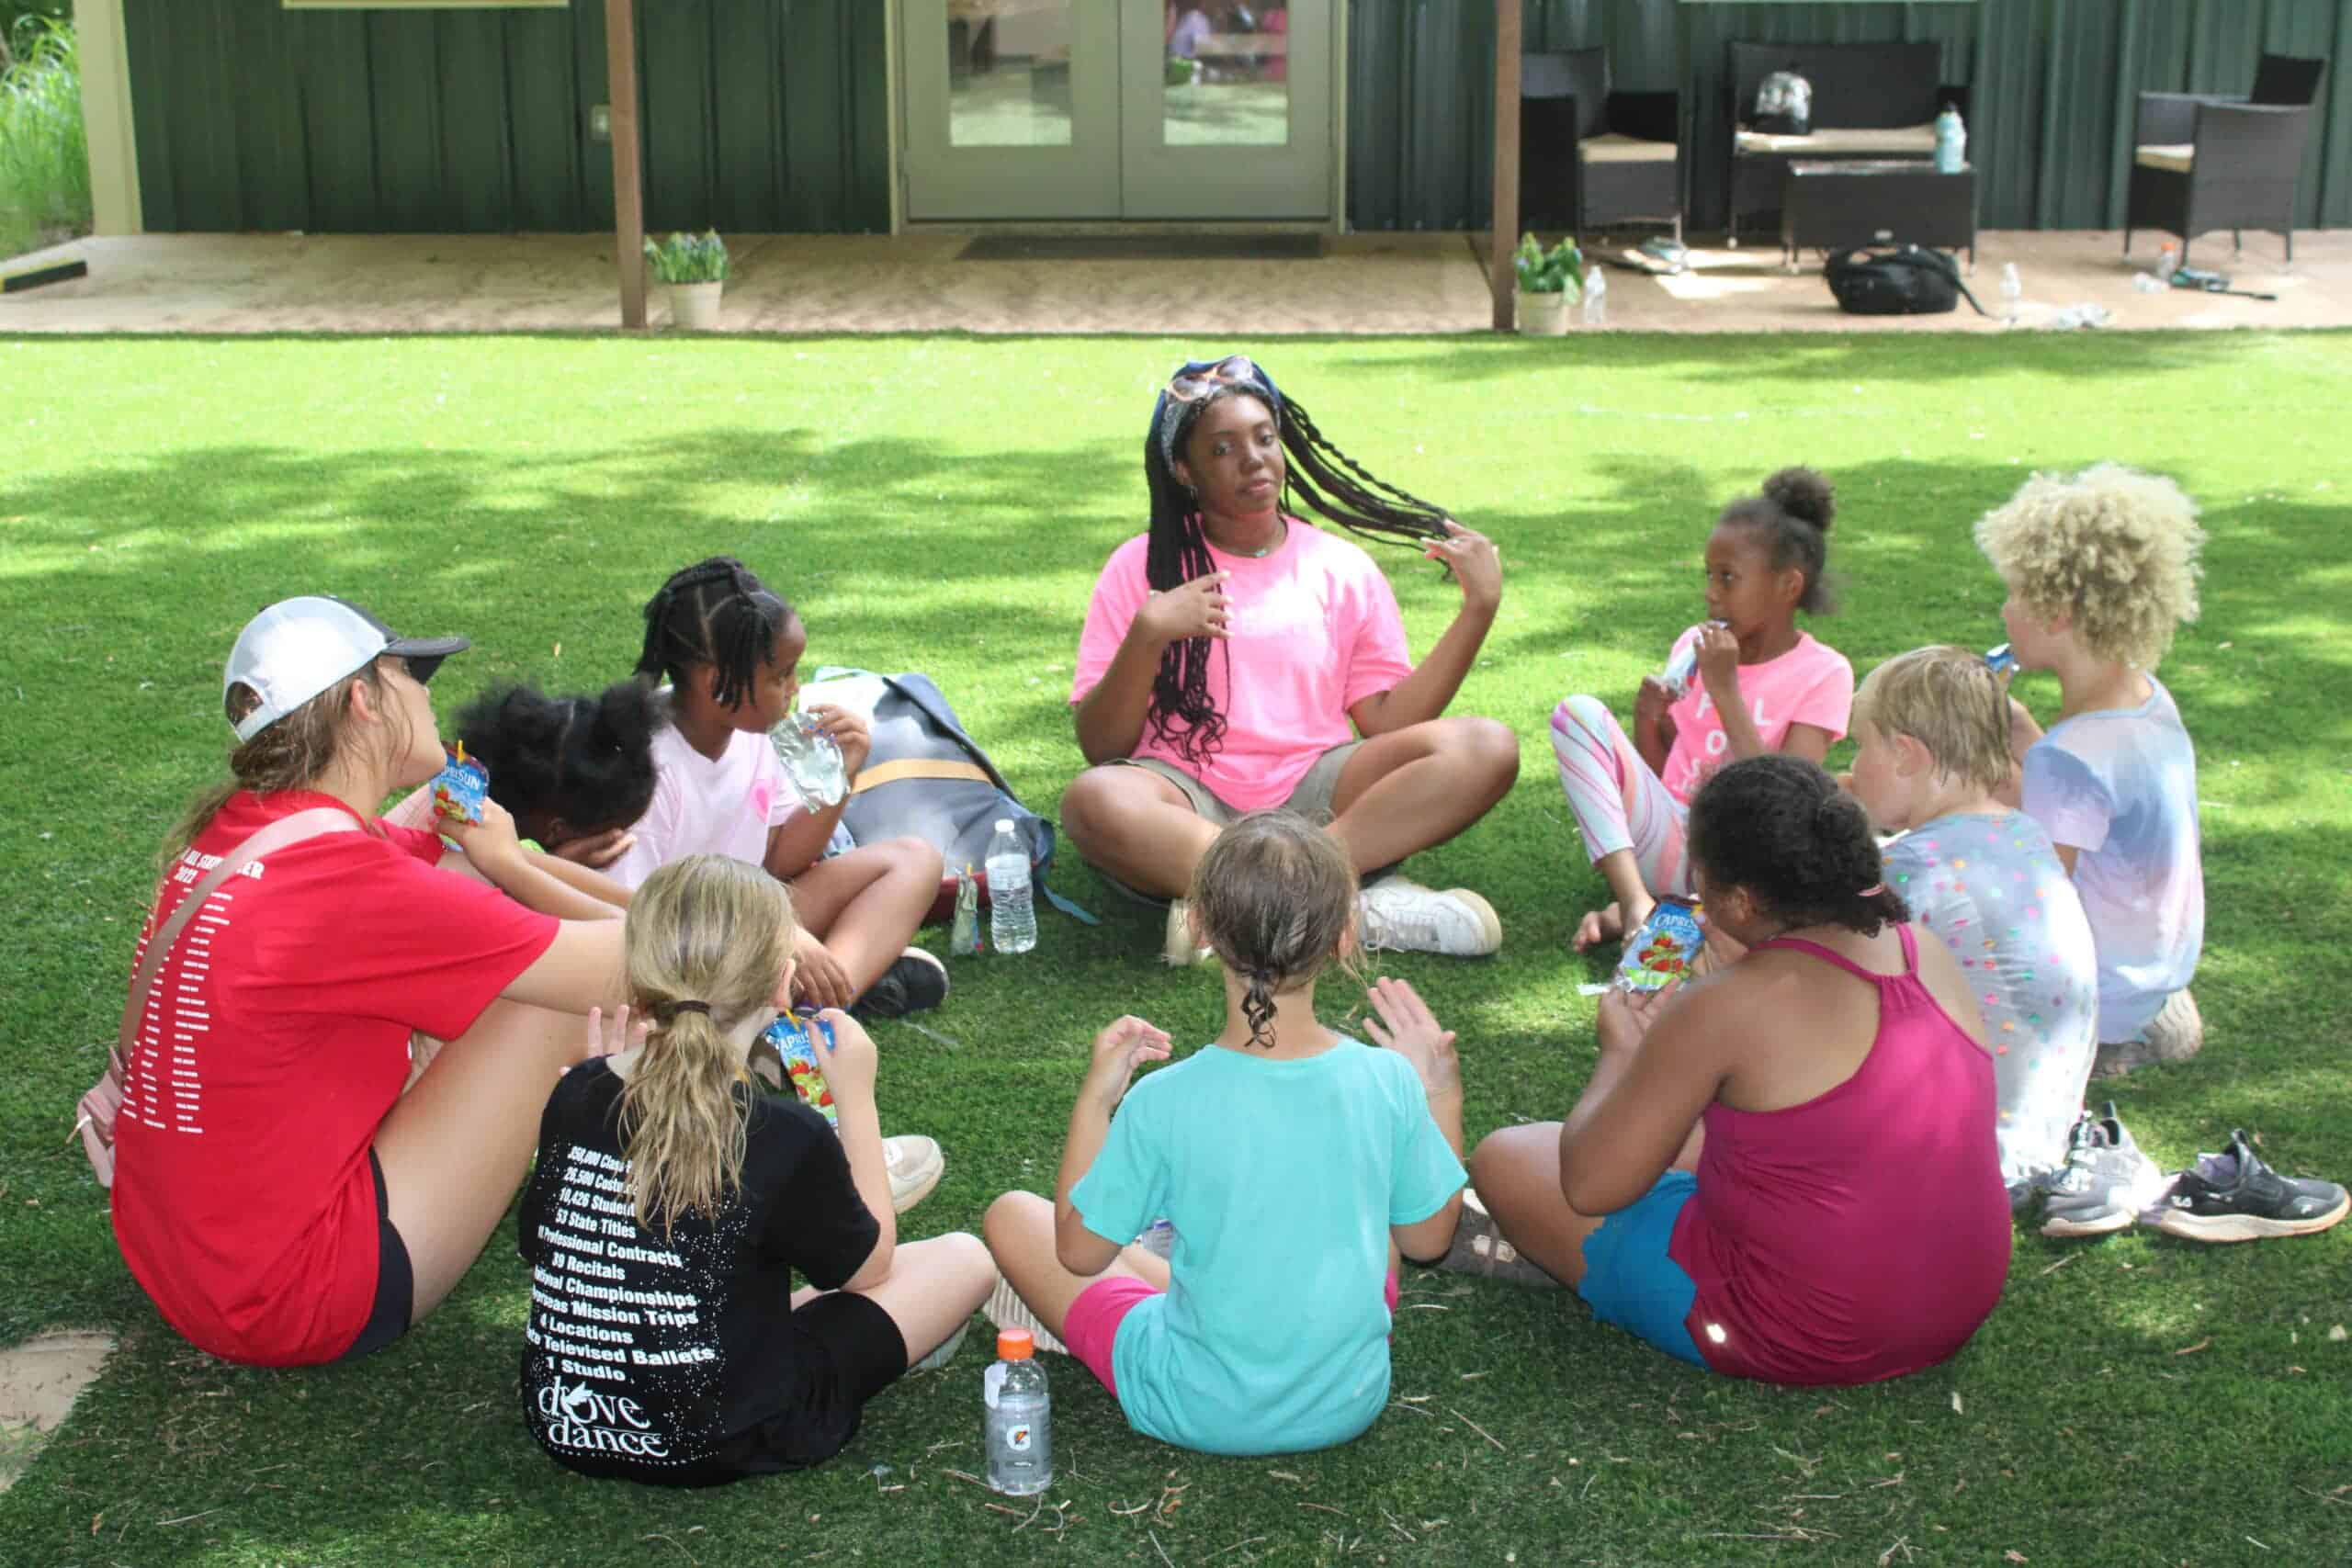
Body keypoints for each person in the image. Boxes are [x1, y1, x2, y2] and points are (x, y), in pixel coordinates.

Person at [109, 596, 633, 1368]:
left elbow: (457, 867)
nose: (426, 695)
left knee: (476, 896)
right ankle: (716, 1185)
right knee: (554, 1002)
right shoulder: (344, 879)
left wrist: (507, 861)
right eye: (412, 675)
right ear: (363, 698)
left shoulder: (261, 829)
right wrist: (515, 863)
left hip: (188, 1266)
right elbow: (635, 968)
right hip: (289, 1296)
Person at [1464, 756, 2009, 1385]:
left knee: (1507, 1159)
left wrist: (1620, 1053)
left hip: (1806, 1329)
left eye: (1703, 878)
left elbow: (1588, 1186)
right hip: (1958, 1302)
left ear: (1743, 901)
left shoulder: (1723, 1004)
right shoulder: (1921, 946)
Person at [980, 812, 1468, 1456]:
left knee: (1014, 1214)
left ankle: (1156, 1299)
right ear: (1344, 937)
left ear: (1200, 926)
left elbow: (1076, 1251)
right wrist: (1441, 1092)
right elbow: (1429, 1239)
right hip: (1349, 1399)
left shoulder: (1162, 1101)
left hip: (1193, 1402)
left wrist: (1095, 1101)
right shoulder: (1387, 1080)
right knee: (1379, 1212)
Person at [520, 855, 993, 1486]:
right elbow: (870, 1269)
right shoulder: (782, 1133)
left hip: (566, 1420)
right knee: (965, 1259)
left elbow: (544, 1247)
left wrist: (592, 1085)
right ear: (781, 982)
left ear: (639, 972)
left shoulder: (578, 1091)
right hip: (734, 1434)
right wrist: (856, 1098)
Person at [1062, 354, 1520, 964]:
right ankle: (1343, 906)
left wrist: (1478, 609)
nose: (1253, 458)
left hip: (1319, 791)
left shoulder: (1341, 566)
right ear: (1184, 469)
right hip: (1186, 799)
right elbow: (1102, 746)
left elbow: (1388, 721)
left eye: (1264, 438)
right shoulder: (1140, 566)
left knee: (1487, 747)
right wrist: (1149, 633)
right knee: (1094, 800)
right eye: (1222, 448)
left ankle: (1241, 906)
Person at [1845, 647, 2120, 1228]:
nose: (1855, 766)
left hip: (1971, 1157)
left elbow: (1834, 972)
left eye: (1861, 746)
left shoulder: (1916, 867)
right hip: (2040, 1135)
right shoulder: (2022, 832)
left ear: (1906, 754)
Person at [607, 557, 947, 1019]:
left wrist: (840, 777)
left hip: (753, 917)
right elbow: (636, 921)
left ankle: (815, 1007)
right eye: (780, 675)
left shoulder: (751, 732)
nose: (795, 688)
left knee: (913, 859)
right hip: (680, 949)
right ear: (716, 683)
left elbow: (782, 860)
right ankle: (787, 1008)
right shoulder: (647, 770)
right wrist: (772, 931)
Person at [1554, 468, 1854, 953]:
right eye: (1709, 575)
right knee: (1577, 713)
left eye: (1728, 578)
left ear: (1788, 586)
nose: (1711, 592)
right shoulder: (1693, 645)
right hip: (1674, 840)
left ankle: (1676, 916)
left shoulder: (1824, 673)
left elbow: (1788, 808)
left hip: (1742, 862)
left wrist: (1726, 690)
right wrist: (1648, 721)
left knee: (1765, 886)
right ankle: (1636, 904)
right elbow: (1666, 773)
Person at [1977, 464, 2206, 1077]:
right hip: (2155, 962)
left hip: (2099, 994)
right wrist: (2019, 731)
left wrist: (1969, 782)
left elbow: (2037, 893)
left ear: (2056, 612)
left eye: (2014, 594)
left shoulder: (2071, 756)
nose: (2004, 610)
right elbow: (2091, 804)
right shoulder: (2144, 698)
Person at [453, 679, 663, 871]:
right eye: (613, 837)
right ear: (556, 831)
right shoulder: (462, 857)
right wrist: (557, 870)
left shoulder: (455, 793)